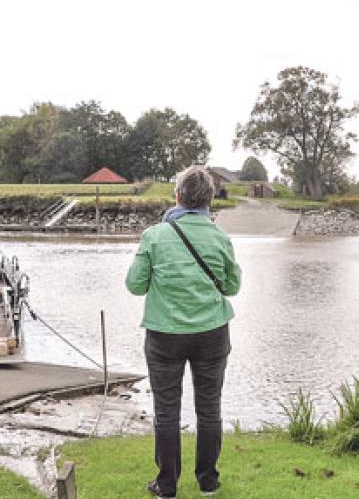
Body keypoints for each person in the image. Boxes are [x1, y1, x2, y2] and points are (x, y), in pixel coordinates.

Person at [125, 165, 241, 499]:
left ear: (177, 196)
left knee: (166, 410)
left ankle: (167, 485)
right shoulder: (220, 237)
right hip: (212, 333)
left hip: (165, 335)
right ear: (210, 200)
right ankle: (208, 481)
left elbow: (134, 286)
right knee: (209, 408)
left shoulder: (155, 236)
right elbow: (232, 286)